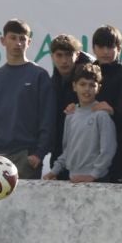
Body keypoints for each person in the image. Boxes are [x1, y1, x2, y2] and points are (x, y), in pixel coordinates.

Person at [0, 18, 53, 180]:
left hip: (26, 157)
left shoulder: (39, 75)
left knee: (26, 205)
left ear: (29, 42)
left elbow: (48, 118)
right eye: (13, 38)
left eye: (22, 39)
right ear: (3, 40)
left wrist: (38, 153)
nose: (18, 43)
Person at [51, 63, 117, 183]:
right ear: (74, 86)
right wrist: (54, 170)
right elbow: (67, 150)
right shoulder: (70, 115)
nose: (87, 89)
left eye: (92, 85)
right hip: (73, 179)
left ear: (98, 88)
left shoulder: (102, 115)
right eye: (82, 84)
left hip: (97, 181)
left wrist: (93, 175)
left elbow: (108, 149)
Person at [87, 24, 122, 183]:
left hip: (117, 149)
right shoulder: (87, 73)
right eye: (101, 46)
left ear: (119, 48)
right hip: (88, 147)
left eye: (110, 46)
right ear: (93, 48)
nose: (106, 51)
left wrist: (113, 111)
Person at [43, 34, 89, 177]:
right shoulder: (52, 83)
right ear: (52, 56)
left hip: (86, 157)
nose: (64, 61)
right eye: (59, 55)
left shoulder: (89, 79)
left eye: (69, 55)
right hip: (59, 154)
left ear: (78, 55)